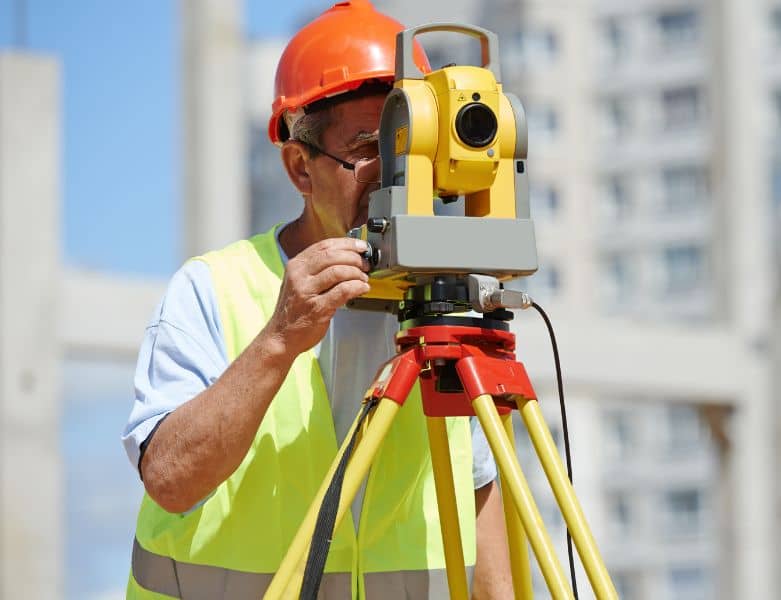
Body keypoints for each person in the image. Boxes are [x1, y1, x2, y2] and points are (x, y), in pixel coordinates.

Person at [122, 2, 513, 598]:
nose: (393, 173)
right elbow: (170, 481)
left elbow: (479, 498)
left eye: (408, 143)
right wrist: (279, 339)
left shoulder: (442, 302)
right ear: (300, 168)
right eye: (367, 146)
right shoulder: (214, 290)